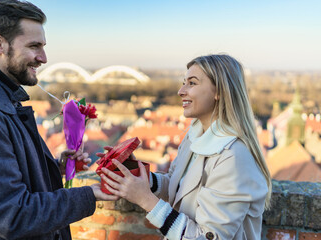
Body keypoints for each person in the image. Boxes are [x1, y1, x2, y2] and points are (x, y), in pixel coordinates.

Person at [0, 0, 117, 239]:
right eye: (34, 46)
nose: (43, 58)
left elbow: (7, 174)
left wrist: (53, 169)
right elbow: (11, 215)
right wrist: (89, 194)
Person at [100, 54, 272, 240]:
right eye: (184, 82)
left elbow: (208, 237)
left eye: (192, 83)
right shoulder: (194, 136)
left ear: (219, 92)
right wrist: (139, 174)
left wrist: (145, 200)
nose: (181, 91)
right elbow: (177, 186)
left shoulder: (234, 157)